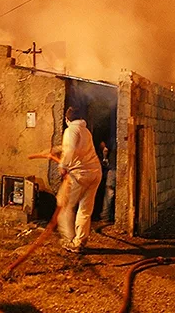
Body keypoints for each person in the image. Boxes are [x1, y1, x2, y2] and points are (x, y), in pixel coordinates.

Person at [56, 106, 102, 253]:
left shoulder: (70, 130)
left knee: (64, 206)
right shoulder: (85, 131)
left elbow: (70, 149)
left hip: (80, 175)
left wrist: (63, 165)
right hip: (95, 172)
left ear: (67, 119)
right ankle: (80, 241)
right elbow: (78, 148)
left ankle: (70, 240)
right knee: (85, 209)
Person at [100, 144, 116, 223]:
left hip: (112, 169)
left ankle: (105, 215)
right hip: (115, 169)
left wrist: (105, 159)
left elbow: (105, 150)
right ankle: (108, 215)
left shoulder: (111, 142)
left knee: (109, 193)